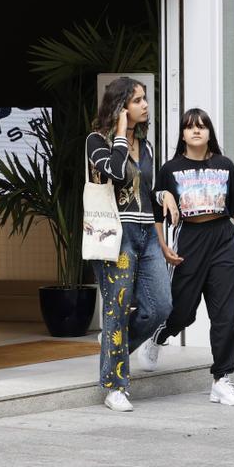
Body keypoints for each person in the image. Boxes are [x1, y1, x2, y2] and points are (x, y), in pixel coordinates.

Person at [143, 109, 234, 406]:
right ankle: (158, 336)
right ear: (182, 134)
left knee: (227, 314)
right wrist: (162, 247)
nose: (196, 131)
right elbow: (157, 215)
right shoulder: (170, 169)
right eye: (190, 127)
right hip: (189, 241)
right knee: (183, 311)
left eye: (202, 126)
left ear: (210, 133)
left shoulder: (225, 165)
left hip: (222, 238)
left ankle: (221, 378)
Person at [85, 76, 176, 412]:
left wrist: (163, 195)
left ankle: (113, 343)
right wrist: (120, 132)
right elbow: (115, 172)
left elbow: (144, 189)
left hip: (146, 235)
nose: (145, 106)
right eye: (137, 100)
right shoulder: (96, 141)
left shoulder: (148, 146)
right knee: (117, 309)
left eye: (145, 99)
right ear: (121, 106)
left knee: (162, 306)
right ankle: (115, 386)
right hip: (116, 233)